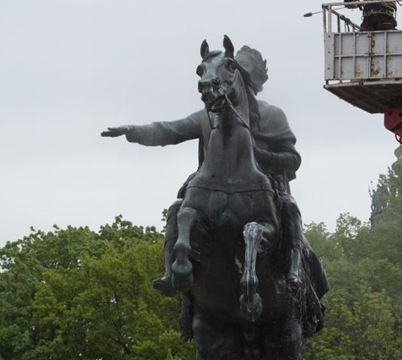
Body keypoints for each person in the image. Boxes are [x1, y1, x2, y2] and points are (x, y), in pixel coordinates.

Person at [101, 46, 327, 302]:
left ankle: (295, 274)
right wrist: (133, 130)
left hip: (263, 191)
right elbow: (169, 130)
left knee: (289, 209)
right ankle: (173, 273)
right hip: (212, 186)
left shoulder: (272, 115)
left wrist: (260, 156)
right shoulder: (207, 115)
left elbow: (292, 159)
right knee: (178, 209)